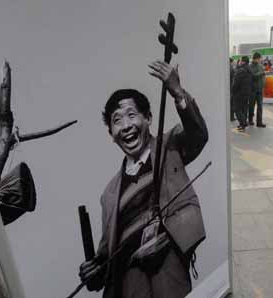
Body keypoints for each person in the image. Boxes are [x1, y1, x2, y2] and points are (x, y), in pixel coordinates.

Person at [78, 60, 208, 298]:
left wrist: (178, 92)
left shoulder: (170, 147)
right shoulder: (109, 194)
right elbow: (107, 258)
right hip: (128, 287)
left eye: (131, 115)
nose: (126, 126)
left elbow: (198, 134)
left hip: (167, 273)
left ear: (148, 118)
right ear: (111, 134)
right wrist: (94, 271)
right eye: (117, 120)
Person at [232, 56, 253, 132]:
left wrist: (232, 91)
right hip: (247, 93)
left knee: (236, 109)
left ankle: (243, 123)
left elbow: (236, 83)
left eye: (240, 61)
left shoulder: (240, 70)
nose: (239, 62)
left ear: (243, 61)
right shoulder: (249, 69)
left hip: (239, 93)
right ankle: (242, 124)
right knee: (243, 109)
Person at [249, 52, 266, 127]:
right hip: (253, 90)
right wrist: (261, 73)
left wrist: (263, 84)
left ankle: (259, 122)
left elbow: (262, 76)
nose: (260, 60)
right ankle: (250, 119)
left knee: (260, 106)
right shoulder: (250, 66)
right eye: (260, 58)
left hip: (260, 90)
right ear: (256, 58)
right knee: (251, 106)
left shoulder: (260, 66)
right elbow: (253, 76)